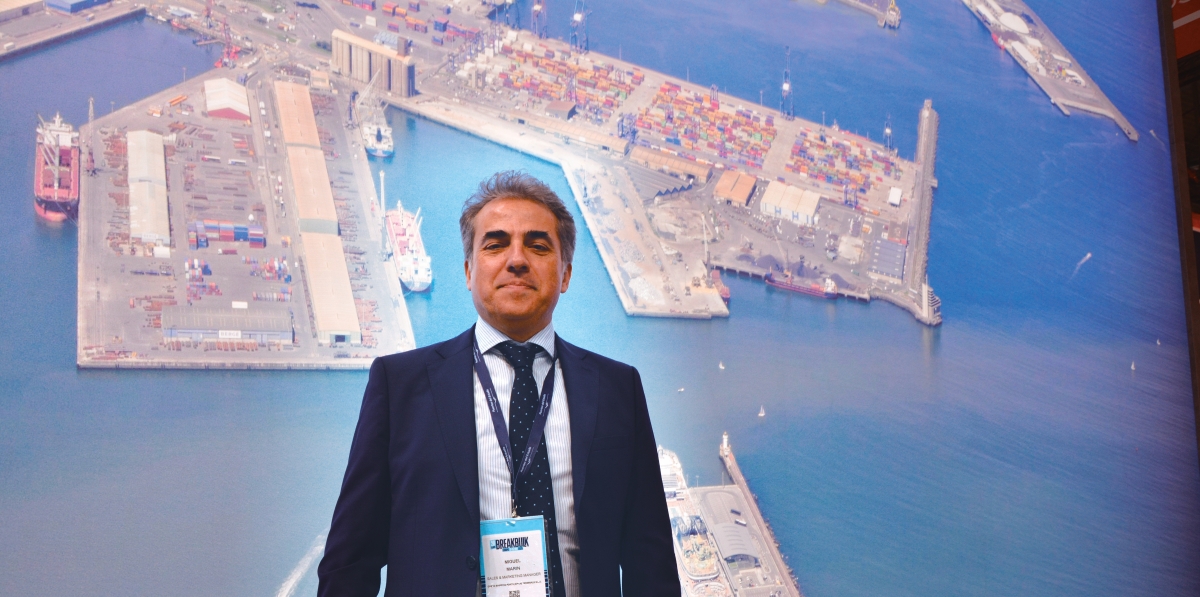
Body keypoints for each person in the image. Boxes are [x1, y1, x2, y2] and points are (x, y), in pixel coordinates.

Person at [317, 171, 680, 597]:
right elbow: (350, 561)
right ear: (469, 271)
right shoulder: (399, 387)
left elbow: (650, 565)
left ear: (565, 274)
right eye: (496, 244)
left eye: (538, 246)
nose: (517, 259)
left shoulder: (618, 389)